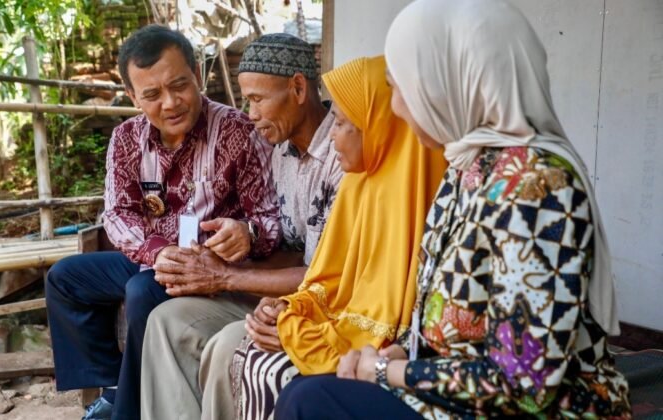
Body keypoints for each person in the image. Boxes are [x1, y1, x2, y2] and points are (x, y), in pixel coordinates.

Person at [275, 1, 632, 419]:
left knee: (310, 402)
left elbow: (525, 385)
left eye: (402, 87)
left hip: (531, 411)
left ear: (452, 83)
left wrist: (392, 371)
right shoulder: (465, 171)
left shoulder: (538, 188)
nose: (396, 108)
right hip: (459, 396)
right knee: (306, 389)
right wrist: (401, 353)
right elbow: (448, 322)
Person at [45, 25, 280, 420]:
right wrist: (158, 252)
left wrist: (248, 234)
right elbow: (118, 213)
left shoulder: (238, 131)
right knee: (65, 279)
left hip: (211, 269)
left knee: (142, 290)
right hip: (154, 258)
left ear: (197, 75)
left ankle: (127, 411)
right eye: (152, 95)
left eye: (179, 85)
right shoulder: (126, 139)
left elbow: (270, 219)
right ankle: (114, 388)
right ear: (133, 96)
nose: (170, 103)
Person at [139, 33, 343, 420]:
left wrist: (226, 277)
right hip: (281, 295)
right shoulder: (280, 151)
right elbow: (288, 248)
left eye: (257, 99)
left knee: (229, 344)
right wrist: (233, 246)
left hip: (327, 305)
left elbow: (328, 274)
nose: (250, 113)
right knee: (166, 320)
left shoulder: (344, 152)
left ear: (298, 88)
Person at [234, 55, 447, 420]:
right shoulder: (357, 183)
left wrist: (296, 332)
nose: (332, 134)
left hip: (392, 352)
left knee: (275, 373)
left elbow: (385, 320)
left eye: (342, 123)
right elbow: (329, 280)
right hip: (352, 333)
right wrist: (288, 309)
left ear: (378, 126)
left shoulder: (413, 191)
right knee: (249, 353)